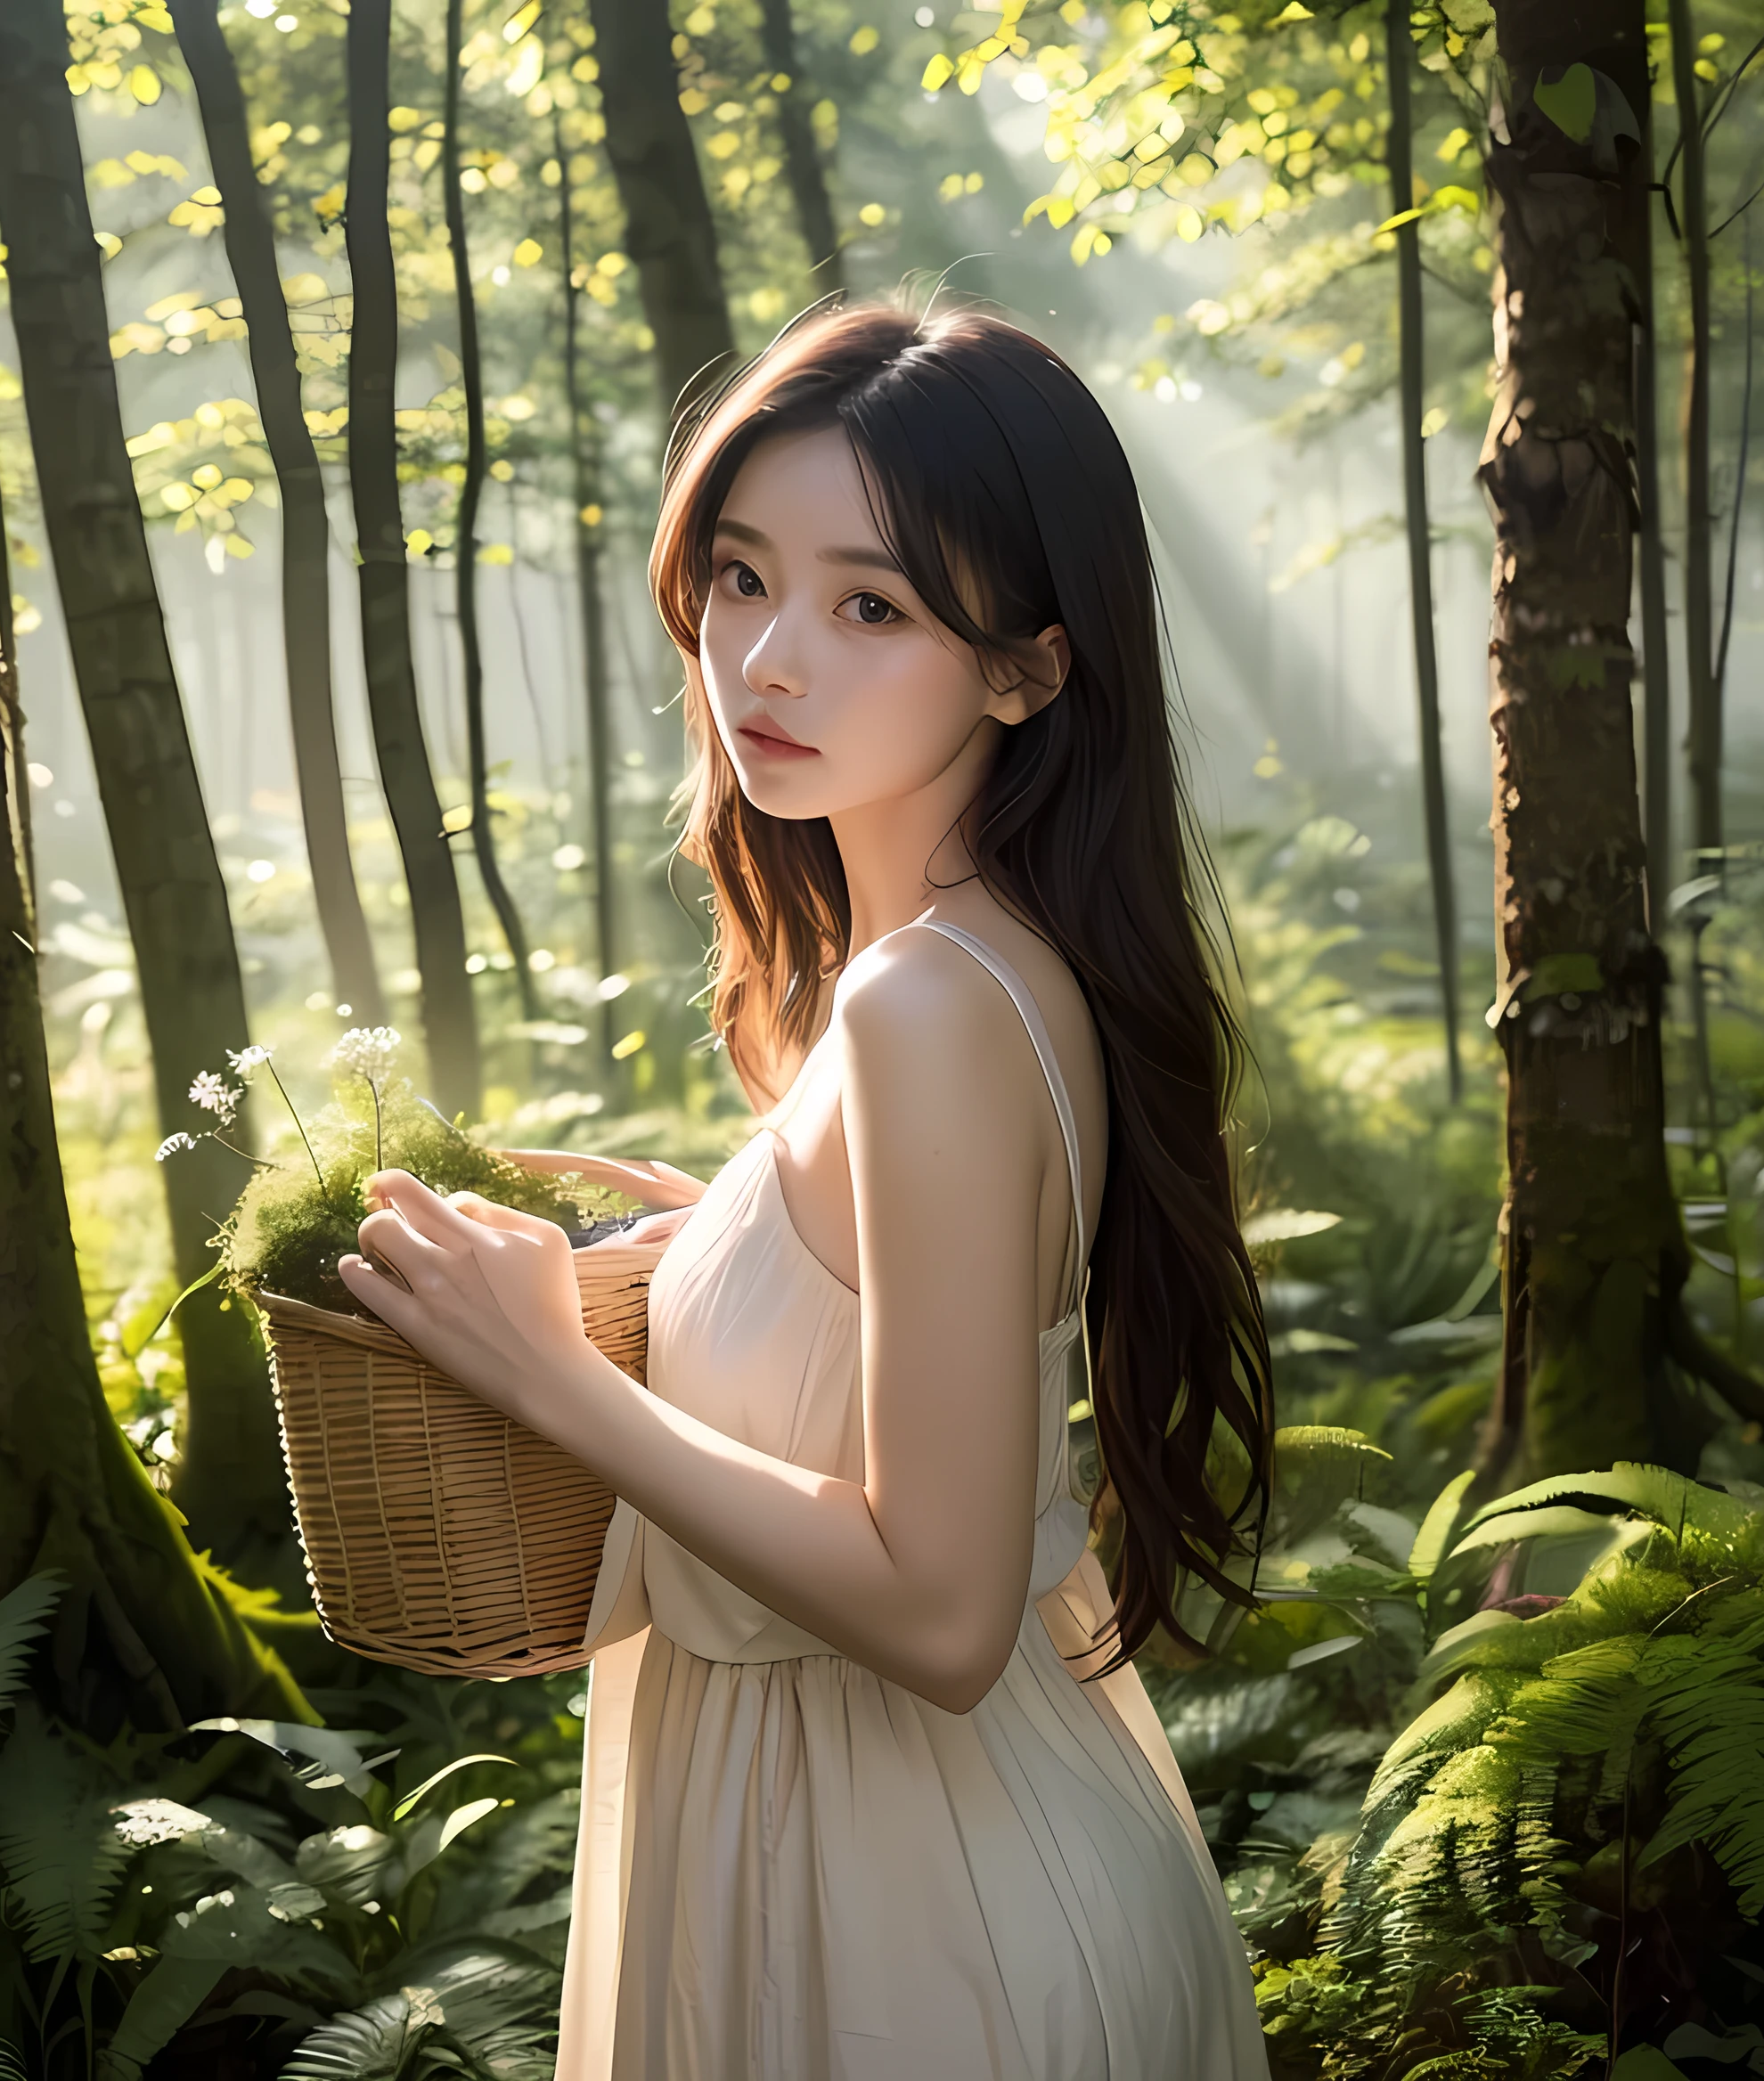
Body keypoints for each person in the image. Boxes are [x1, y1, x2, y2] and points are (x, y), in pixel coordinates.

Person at [341, 300, 1276, 2080]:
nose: (768, 661)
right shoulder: (983, 964)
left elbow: (936, 1607)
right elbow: (920, 1341)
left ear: (1027, 665)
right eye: (744, 577)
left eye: (872, 606)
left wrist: (548, 1371)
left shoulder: (924, 1003)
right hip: (928, 1876)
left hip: (909, 1939)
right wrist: (748, 1238)